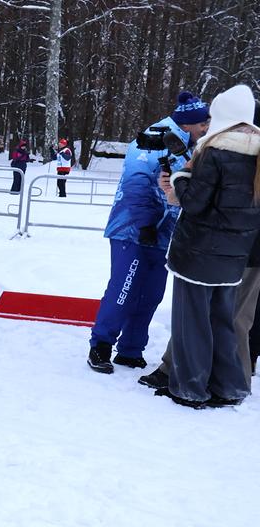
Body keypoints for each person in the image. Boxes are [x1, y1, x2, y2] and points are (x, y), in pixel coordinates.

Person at [87, 91, 210, 373]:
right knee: (124, 287)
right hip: (131, 229)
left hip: (165, 231)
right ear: (188, 123)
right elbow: (135, 184)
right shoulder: (152, 138)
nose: (207, 128)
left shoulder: (190, 145)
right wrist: (144, 225)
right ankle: (101, 346)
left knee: (151, 292)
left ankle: (131, 349)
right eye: (203, 123)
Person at [155, 85, 259, 408]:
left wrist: (180, 179)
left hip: (198, 254)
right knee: (222, 322)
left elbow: (195, 203)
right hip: (234, 256)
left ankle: (190, 388)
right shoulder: (256, 154)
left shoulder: (215, 151)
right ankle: (229, 387)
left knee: (192, 322)